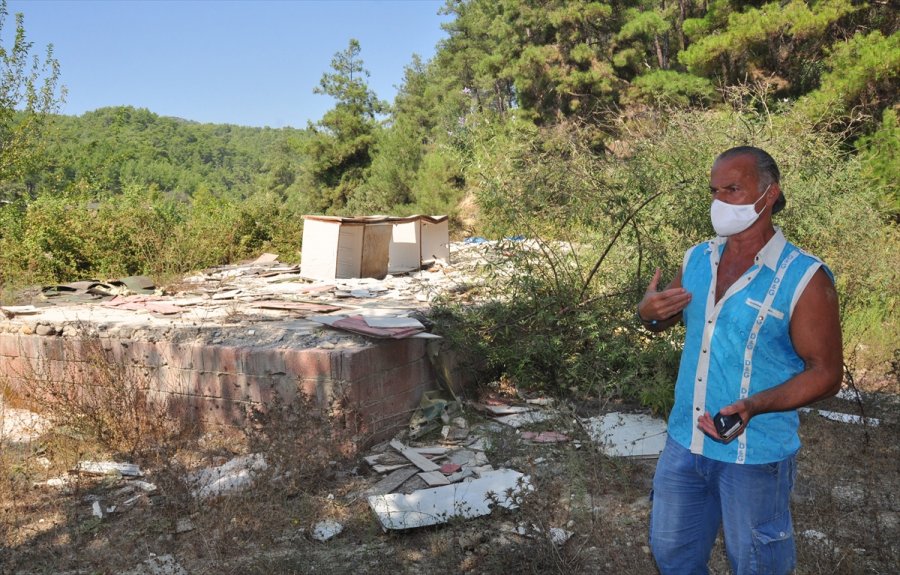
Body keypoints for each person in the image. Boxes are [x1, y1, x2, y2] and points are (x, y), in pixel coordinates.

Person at [636, 146, 843, 574]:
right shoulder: (698, 258)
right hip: (685, 443)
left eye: (732, 189)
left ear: (770, 193)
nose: (720, 202)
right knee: (672, 556)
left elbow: (826, 374)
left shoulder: (804, 277)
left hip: (755, 456)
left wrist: (753, 405)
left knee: (757, 565)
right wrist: (649, 313)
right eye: (714, 191)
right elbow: (663, 318)